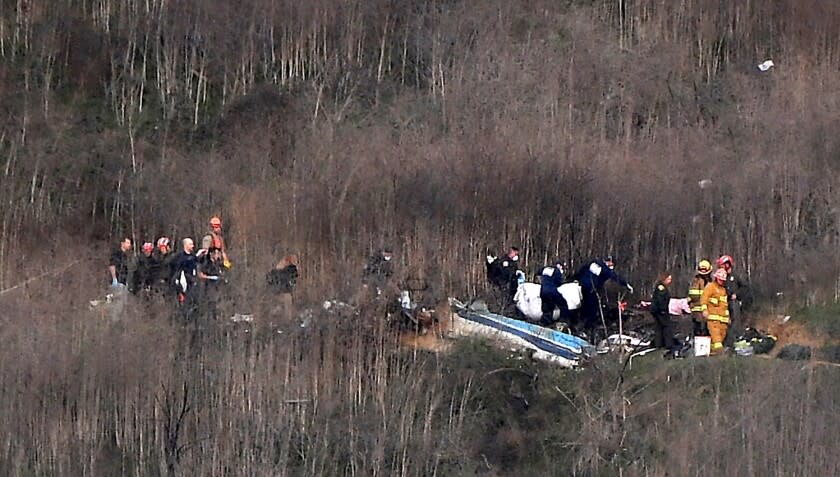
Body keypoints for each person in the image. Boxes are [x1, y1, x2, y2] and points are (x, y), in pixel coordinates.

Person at [576, 255, 633, 341]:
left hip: (580, 287)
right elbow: (614, 276)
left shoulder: (592, 263)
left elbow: (581, 270)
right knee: (592, 311)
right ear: (609, 262)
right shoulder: (604, 268)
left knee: (582, 308)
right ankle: (585, 330)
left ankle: (578, 325)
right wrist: (626, 284)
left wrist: (575, 279)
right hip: (591, 290)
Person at [718, 255, 750, 347]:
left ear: (728, 264)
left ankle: (732, 342)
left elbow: (745, 287)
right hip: (724, 302)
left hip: (733, 302)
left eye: (723, 265)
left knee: (734, 322)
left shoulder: (736, 276)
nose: (722, 267)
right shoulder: (723, 276)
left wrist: (737, 295)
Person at [701, 268, 730, 355]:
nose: (721, 281)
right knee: (717, 339)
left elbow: (725, 305)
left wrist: (727, 318)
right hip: (713, 320)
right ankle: (721, 355)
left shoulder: (723, 290)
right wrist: (704, 310)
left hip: (723, 322)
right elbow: (704, 299)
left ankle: (713, 355)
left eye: (723, 280)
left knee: (719, 340)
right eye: (720, 279)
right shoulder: (710, 287)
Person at [486, 246, 520, 313]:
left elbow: (513, 272)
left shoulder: (514, 263)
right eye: (514, 253)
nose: (515, 255)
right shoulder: (503, 261)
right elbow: (498, 271)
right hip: (502, 284)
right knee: (501, 301)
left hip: (511, 287)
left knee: (508, 302)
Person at [172, 238, 199, 320]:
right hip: (183, 283)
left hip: (192, 283)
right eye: (191, 244)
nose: (193, 246)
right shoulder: (179, 257)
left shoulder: (193, 256)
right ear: (185, 245)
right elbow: (176, 272)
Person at [651, 273, 676, 358]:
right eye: (668, 279)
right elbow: (661, 300)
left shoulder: (661, 287)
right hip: (661, 311)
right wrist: (662, 310)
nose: (670, 281)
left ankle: (659, 344)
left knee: (659, 327)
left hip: (658, 311)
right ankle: (668, 344)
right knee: (666, 327)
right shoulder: (661, 288)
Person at [267, 254, 299, 320]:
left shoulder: (276, 271)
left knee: (282, 307)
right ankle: (286, 321)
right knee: (286, 308)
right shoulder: (289, 270)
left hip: (279, 292)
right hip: (284, 292)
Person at [539, 259, 568, 326]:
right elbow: (558, 283)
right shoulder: (557, 271)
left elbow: (538, 272)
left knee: (546, 309)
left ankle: (544, 323)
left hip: (543, 291)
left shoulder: (546, 269)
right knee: (564, 305)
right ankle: (562, 322)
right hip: (552, 291)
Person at [197, 247, 224, 321]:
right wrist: (211, 277)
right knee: (210, 305)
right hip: (209, 288)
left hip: (218, 288)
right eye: (216, 253)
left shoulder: (219, 264)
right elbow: (201, 275)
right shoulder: (207, 264)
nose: (218, 255)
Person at [687, 259, 713, 337]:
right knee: (699, 331)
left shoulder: (710, 281)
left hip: (707, 311)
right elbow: (693, 295)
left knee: (708, 331)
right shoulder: (696, 281)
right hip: (698, 310)